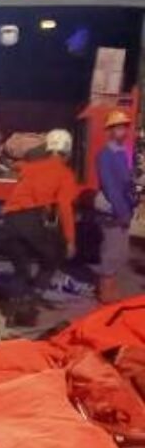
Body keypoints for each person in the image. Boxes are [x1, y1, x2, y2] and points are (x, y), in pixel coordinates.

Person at [1, 129, 78, 325]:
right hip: (30, 218)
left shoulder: (30, 167)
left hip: (9, 220)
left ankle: (12, 310)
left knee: (21, 267)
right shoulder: (65, 174)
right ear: (67, 153)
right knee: (52, 257)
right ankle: (30, 302)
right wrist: (69, 240)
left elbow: (17, 166)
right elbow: (64, 208)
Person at [95, 110, 137, 303]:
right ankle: (106, 292)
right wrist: (122, 212)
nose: (123, 131)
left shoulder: (120, 153)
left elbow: (124, 183)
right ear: (110, 131)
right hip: (113, 212)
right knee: (112, 252)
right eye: (119, 127)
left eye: (124, 127)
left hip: (123, 209)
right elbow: (110, 186)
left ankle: (110, 287)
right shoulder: (106, 154)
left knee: (121, 252)